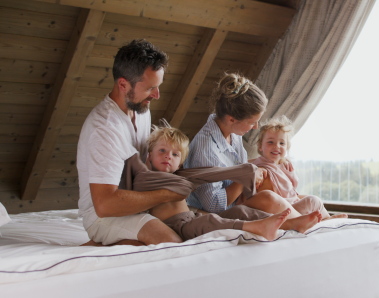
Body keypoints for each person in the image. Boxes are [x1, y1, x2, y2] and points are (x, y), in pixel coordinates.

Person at [77, 39, 185, 246]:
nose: (157, 95)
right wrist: (164, 194)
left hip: (134, 203)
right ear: (123, 84)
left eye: (158, 87)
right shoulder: (105, 128)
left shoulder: (140, 109)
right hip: (104, 216)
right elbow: (104, 205)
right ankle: (93, 249)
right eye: (150, 89)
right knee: (168, 242)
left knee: (188, 225)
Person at [184, 72, 322, 226]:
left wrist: (275, 161)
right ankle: (307, 225)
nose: (256, 127)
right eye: (251, 122)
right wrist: (246, 176)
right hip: (219, 213)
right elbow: (214, 205)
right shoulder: (206, 149)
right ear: (231, 119)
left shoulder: (232, 134)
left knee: (311, 201)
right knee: (269, 198)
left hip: (242, 201)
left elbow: (233, 167)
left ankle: (324, 222)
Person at [139, 121, 289, 241]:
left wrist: (248, 169)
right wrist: (246, 172)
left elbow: (210, 173)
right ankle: (256, 226)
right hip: (177, 226)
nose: (168, 156)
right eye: (162, 151)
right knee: (209, 221)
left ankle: (288, 223)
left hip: (192, 218)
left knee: (239, 210)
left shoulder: (181, 175)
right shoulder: (148, 177)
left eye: (175, 154)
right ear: (149, 155)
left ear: (180, 162)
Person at [252, 115, 347, 220]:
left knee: (314, 200)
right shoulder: (261, 168)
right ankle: (324, 221)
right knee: (312, 201)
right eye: (270, 142)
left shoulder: (283, 166)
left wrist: (284, 162)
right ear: (260, 146)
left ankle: (325, 219)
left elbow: (292, 191)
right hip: (281, 211)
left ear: (287, 147)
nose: (277, 146)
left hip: (291, 205)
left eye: (282, 143)